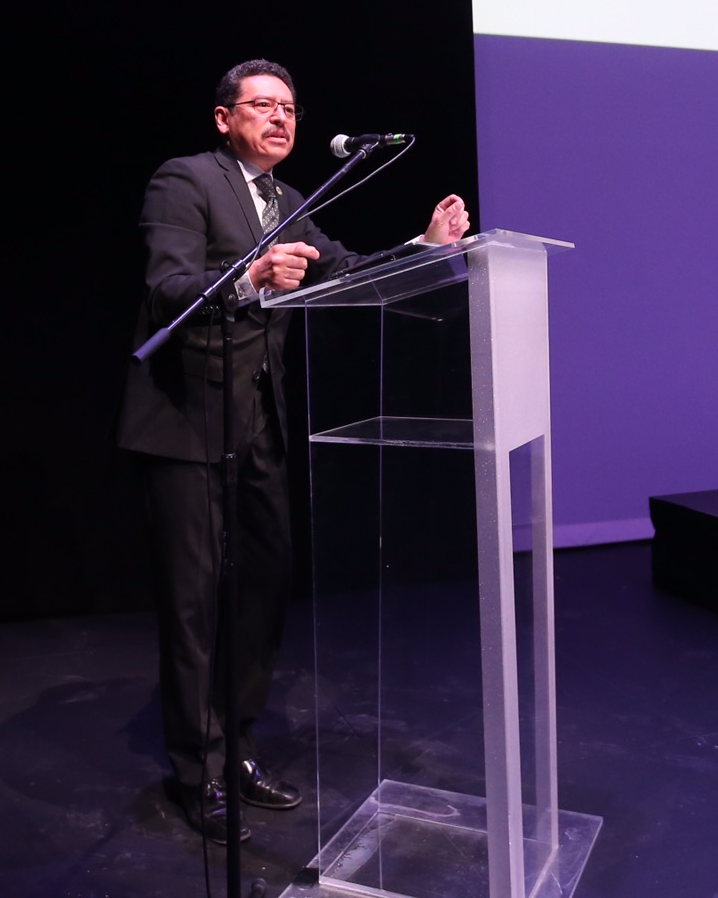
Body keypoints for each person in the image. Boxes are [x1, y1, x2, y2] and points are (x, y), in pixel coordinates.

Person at [120, 58, 469, 842]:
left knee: (261, 595)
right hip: (186, 426)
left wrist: (424, 244)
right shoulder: (185, 180)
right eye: (263, 105)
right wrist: (250, 277)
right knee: (195, 605)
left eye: (289, 108)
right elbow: (169, 288)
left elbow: (344, 273)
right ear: (224, 118)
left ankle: (237, 749)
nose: (280, 118)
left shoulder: (288, 203)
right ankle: (198, 773)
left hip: (260, 430)